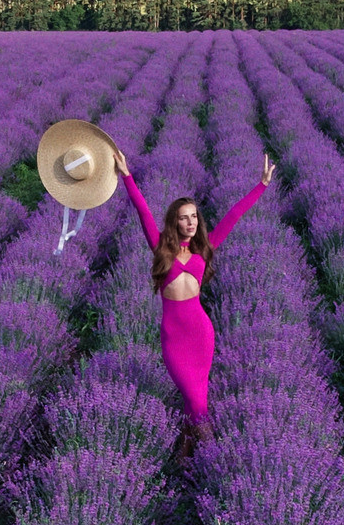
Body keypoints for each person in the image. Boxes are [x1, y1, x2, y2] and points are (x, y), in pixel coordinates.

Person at [115, 150, 274, 449]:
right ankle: (214, 458)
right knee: (194, 398)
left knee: (197, 402)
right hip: (175, 339)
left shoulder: (205, 247)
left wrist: (262, 185)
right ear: (174, 222)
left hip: (201, 334)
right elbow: (143, 211)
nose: (190, 222)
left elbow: (234, 216)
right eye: (183, 218)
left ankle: (187, 457)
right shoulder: (161, 248)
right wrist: (126, 175)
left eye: (194, 217)